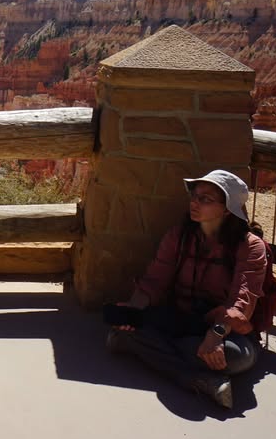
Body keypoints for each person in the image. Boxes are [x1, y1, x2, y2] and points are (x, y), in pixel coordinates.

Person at [106, 170, 267, 410]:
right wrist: (133, 312)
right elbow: (154, 281)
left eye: (206, 199)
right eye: (195, 195)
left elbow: (241, 304)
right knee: (133, 325)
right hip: (180, 319)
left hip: (225, 331)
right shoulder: (179, 236)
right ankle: (198, 380)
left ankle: (140, 345)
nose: (195, 202)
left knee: (237, 357)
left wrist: (214, 336)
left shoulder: (250, 246)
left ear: (227, 209)